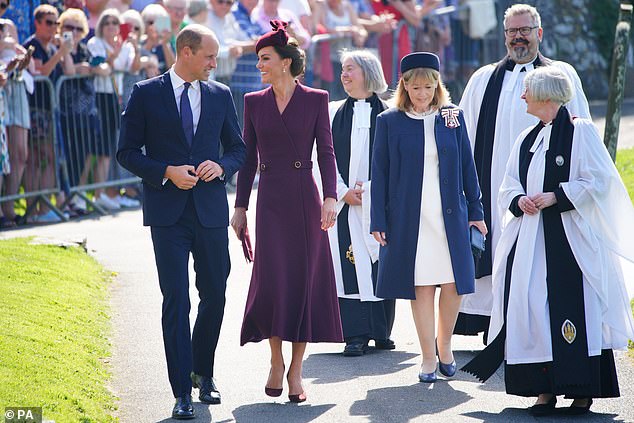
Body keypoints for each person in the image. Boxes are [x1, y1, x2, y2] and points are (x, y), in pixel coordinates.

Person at [462, 66, 634, 417]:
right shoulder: (527, 138)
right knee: (532, 308)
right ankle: (542, 388)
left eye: (527, 91)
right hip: (531, 241)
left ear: (545, 95)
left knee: (572, 308)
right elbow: (508, 183)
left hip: (570, 239)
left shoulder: (580, 132)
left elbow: (600, 181)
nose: (522, 96)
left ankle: (581, 390)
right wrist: (519, 200)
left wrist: (558, 196)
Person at [117, 24, 246, 419]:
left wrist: (221, 166)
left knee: (216, 294)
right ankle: (181, 393)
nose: (214, 62)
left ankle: (202, 373)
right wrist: (166, 171)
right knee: (176, 299)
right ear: (186, 52)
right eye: (209, 55)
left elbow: (238, 150)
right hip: (167, 215)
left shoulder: (221, 94)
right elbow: (127, 152)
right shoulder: (145, 93)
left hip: (209, 213)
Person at [455, 3, 591, 339]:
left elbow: (582, 131)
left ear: (539, 33)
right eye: (512, 31)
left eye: (525, 30)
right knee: (495, 255)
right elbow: (463, 136)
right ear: (504, 36)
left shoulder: (562, 75)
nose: (519, 37)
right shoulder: (483, 79)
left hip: (546, 194)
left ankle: (537, 333)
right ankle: (495, 327)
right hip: (494, 189)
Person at [231, 20, 343, 403]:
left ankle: (296, 370)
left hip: (305, 199)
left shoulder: (316, 99)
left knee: (303, 283)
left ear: (285, 62)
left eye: (265, 58)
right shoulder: (252, 102)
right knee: (274, 282)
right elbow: (246, 161)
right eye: (259, 59)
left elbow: (326, 152)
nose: (259, 65)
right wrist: (241, 206)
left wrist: (331, 196)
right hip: (271, 202)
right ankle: (276, 360)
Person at [370, 52, 486, 382]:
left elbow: (468, 167)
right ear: (404, 85)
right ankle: (427, 358)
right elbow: (379, 172)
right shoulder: (389, 121)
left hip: (449, 214)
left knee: (454, 284)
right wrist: (378, 219)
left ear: (438, 84)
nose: (423, 93)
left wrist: (476, 212)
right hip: (410, 217)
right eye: (416, 87)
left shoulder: (452, 117)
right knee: (421, 286)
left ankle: (444, 345)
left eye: (429, 86)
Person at [314, 49, 395, 356]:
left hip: (379, 205)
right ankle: (355, 334)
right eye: (343, 70)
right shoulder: (333, 111)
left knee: (380, 263)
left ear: (369, 74)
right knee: (348, 264)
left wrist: (374, 191)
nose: (344, 75)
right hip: (346, 205)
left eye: (351, 70)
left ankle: (381, 331)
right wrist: (343, 191)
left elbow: (399, 160)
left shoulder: (390, 113)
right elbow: (322, 155)